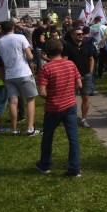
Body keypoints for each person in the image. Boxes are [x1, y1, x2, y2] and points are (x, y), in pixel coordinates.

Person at [35, 39, 83, 177]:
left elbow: (42, 92)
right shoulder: (70, 64)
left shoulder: (46, 68)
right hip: (70, 105)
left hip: (53, 108)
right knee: (73, 137)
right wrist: (68, 91)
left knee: (48, 136)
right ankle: (75, 168)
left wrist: (51, 97)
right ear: (61, 49)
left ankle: (45, 164)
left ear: (46, 53)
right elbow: (79, 85)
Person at [0, 20, 40, 136]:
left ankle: (14, 129)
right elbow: (29, 55)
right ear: (13, 28)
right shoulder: (20, 38)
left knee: (13, 101)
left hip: (9, 75)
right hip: (23, 72)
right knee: (30, 99)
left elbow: (0, 57)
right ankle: (30, 128)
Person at [62, 26, 96, 128]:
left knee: (86, 97)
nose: (81, 36)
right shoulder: (68, 46)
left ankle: (84, 118)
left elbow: (91, 58)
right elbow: (65, 61)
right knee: (71, 98)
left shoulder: (86, 45)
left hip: (86, 75)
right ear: (73, 36)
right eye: (78, 34)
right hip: (72, 77)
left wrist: (90, 71)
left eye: (82, 34)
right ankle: (70, 118)